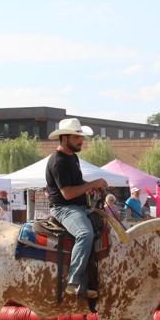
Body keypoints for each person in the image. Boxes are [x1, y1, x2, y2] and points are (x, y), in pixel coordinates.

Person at [45, 118, 108, 298]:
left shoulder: (73, 158)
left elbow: (78, 184)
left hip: (77, 207)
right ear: (64, 138)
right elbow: (67, 193)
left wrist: (92, 186)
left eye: (81, 137)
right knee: (85, 234)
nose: (81, 141)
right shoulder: (58, 161)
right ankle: (73, 281)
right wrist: (93, 183)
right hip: (64, 209)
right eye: (76, 137)